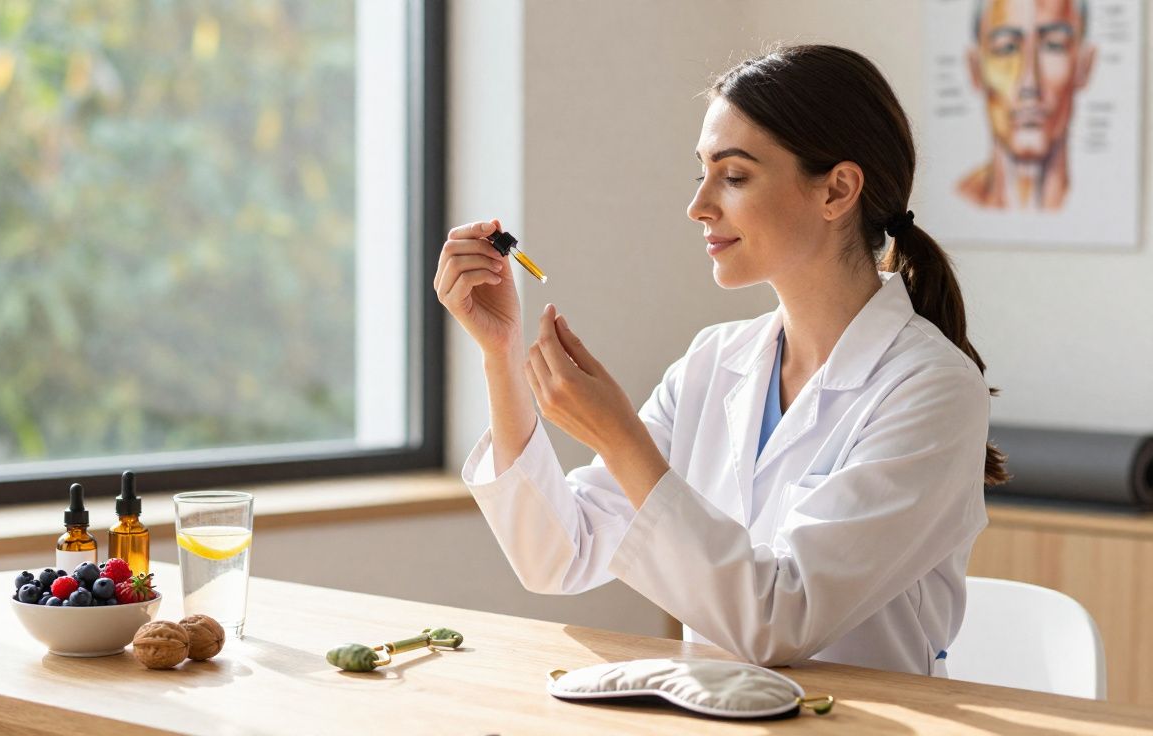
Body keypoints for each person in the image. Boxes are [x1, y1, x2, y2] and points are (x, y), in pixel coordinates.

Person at [433, 44, 1008, 677]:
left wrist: (621, 439)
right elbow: (557, 555)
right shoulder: (715, 361)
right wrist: (500, 355)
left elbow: (780, 622)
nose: (699, 205)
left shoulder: (931, 389)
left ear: (837, 190)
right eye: (700, 173)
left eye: (733, 176)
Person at [958, 0, 1095, 210]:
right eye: (1006, 47)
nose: (1029, 83)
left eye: (1054, 45)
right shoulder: (959, 200)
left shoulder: (1099, 204)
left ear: (1084, 65)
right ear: (975, 69)